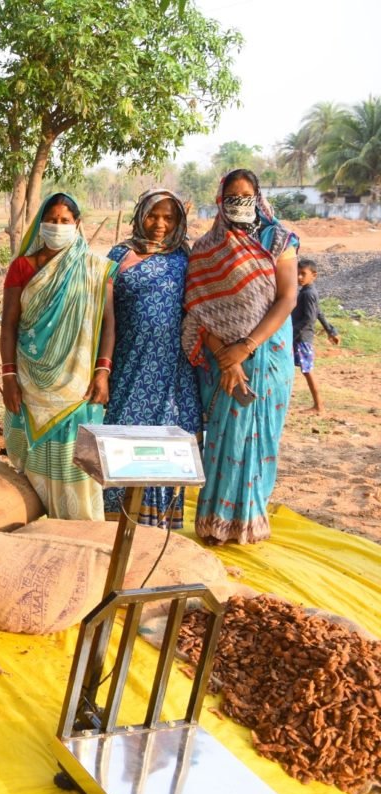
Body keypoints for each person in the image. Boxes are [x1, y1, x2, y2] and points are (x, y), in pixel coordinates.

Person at [181, 169, 299, 545]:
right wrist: (226, 357)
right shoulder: (205, 248)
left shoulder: (278, 239)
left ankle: (249, 520)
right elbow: (198, 309)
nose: (239, 203)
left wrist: (245, 348)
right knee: (221, 435)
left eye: (246, 196)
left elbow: (287, 298)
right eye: (231, 196)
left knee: (259, 434)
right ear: (220, 199)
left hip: (267, 353)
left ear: (258, 197)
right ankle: (215, 523)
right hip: (220, 360)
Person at [0, 193, 116, 520]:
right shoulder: (22, 268)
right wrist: (9, 376)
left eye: (65, 221)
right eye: (51, 220)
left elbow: (108, 323)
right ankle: (41, 527)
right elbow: (8, 325)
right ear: (40, 223)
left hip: (78, 386)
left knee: (78, 463)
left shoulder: (96, 268)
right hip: (30, 380)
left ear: (77, 225)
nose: (57, 226)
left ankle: (83, 532)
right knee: (34, 467)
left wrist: (103, 371)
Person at [103, 189, 202, 528]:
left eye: (169, 218)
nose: (160, 224)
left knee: (167, 442)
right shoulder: (119, 255)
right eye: (153, 215)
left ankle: (158, 526)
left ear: (179, 222)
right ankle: (117, 524)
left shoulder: (185, 258)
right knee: (123, 438)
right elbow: (101, 314)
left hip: (172, 371)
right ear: (140, 214)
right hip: (128, 364)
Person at [292, 257, 341, 414]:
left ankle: (319, 406)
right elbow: (319, 312)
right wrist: (331, 331)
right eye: (297, 273)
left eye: (303, 274)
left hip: (301, 338)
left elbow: (309, 318)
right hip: (299, 336)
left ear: (314, 275)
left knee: (307, 371)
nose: (299, 277)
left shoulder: (308, 294)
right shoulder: (306, 291)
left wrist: (290, 333)